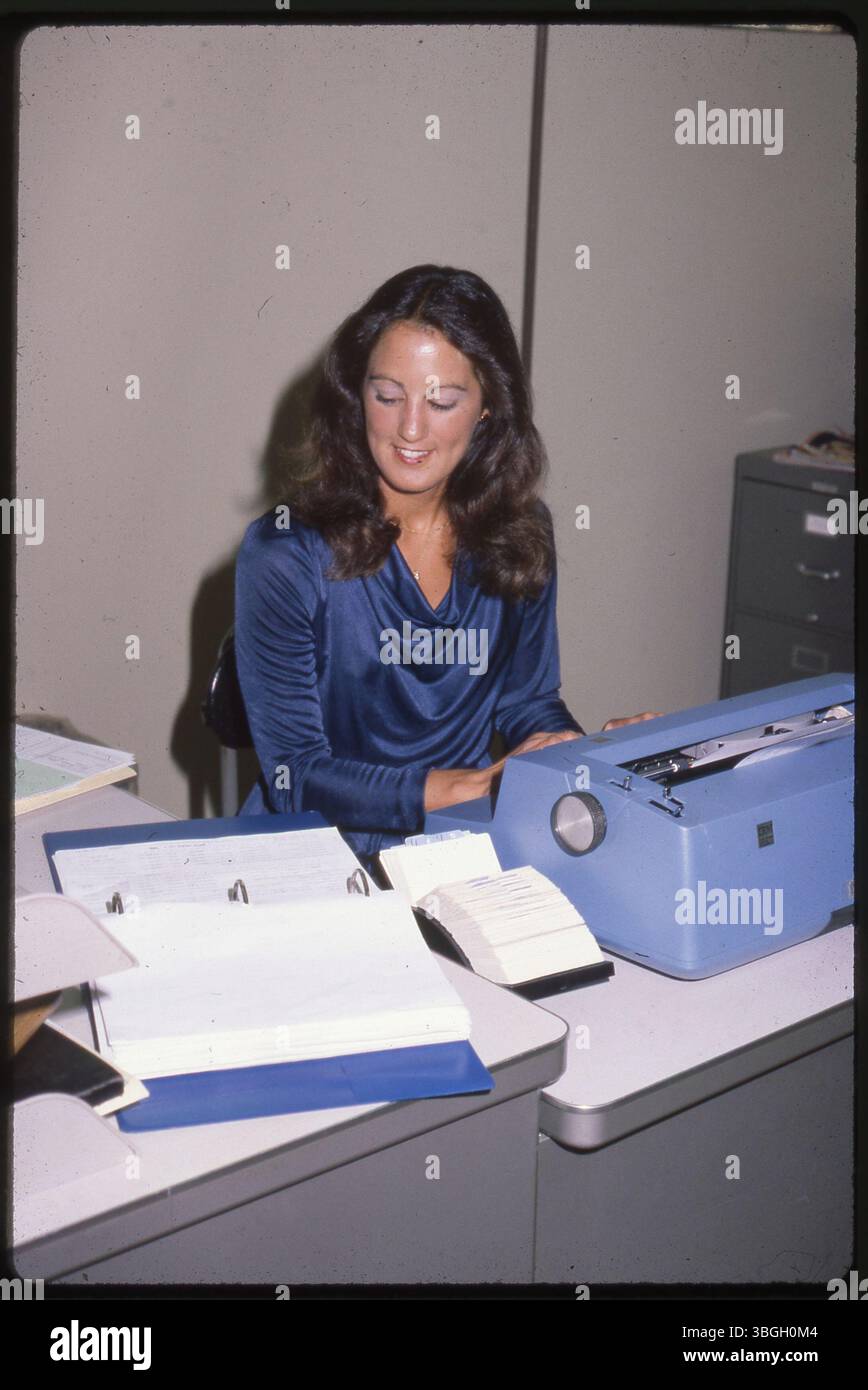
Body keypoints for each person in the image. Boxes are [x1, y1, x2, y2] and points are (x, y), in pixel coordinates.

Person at [235, 264, 658, 861]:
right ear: (357, 397)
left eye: (443, 401)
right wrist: (478, 783)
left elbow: (527, 702)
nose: (410, 427)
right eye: (387, 395)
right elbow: (297, 778)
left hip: (460, 843)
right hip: (315, 855)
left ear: (488, 405)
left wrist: (577, 753)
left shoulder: (521, 531)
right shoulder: (285, 552)